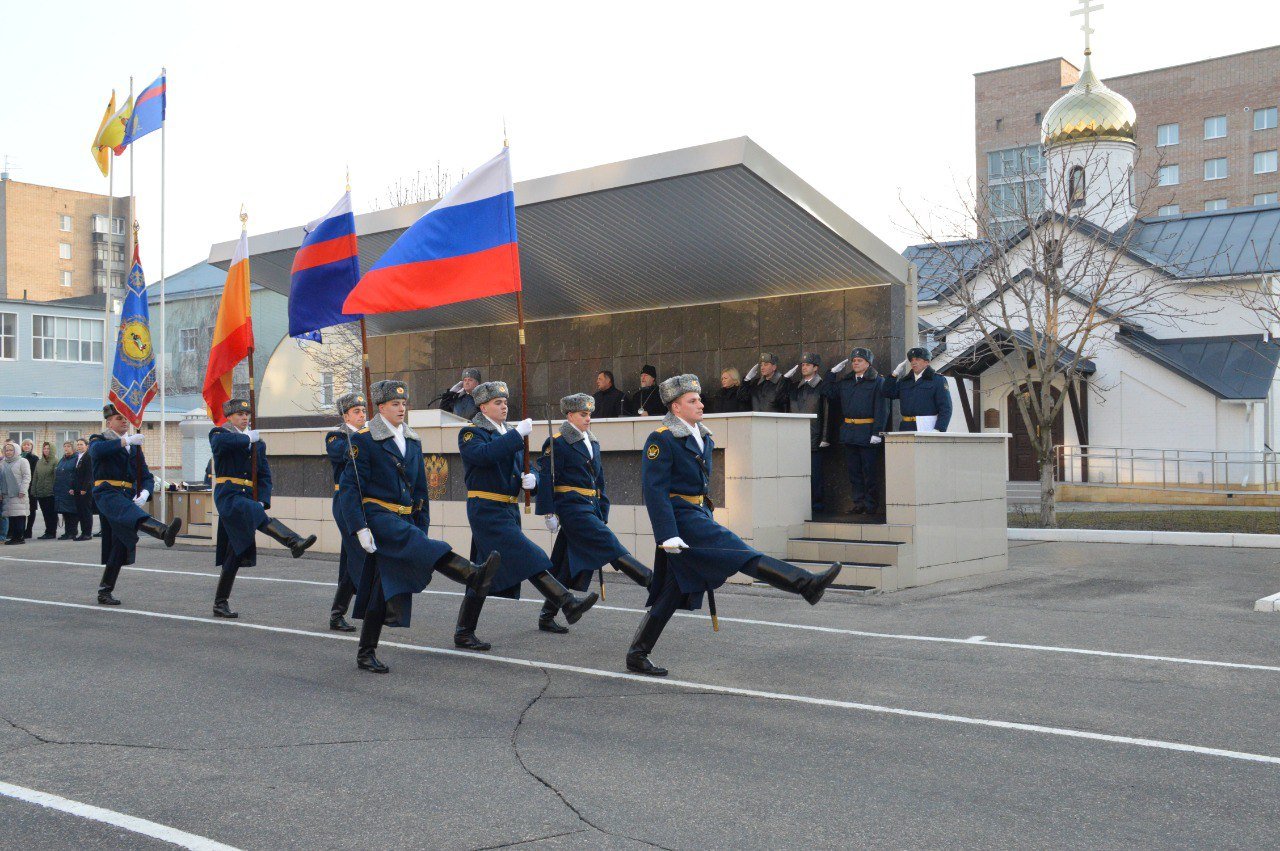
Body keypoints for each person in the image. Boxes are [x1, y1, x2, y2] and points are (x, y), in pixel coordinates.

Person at [628, 374, 843, 677]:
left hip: (699, 514)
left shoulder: (702, 435)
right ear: (676, 408)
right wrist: (667, 535)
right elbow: (654, 490)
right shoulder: (662, 438)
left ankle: (637, 653)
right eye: (693, 400)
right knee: (740, 553)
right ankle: (806, 584)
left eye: (699, 398)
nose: (700, 403)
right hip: (682, 519)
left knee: (672, 591)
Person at [338, 380, 500, 674]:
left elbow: (420, 490)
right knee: (419, 544)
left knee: (378, 588)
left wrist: (422, 524)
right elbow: (350, 489)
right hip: (378, 515)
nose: (401, 409)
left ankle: (365, 652)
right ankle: (471, 574)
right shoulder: (363, 439)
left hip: (405, 517)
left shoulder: (411, 440)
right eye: (394, 404)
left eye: (404, 404)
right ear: (381, 407)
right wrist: (359, 528)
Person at [458, 380, 599, 650]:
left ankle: (464, 631)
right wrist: (516, 436)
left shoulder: (510, 433)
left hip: (508, 510)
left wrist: (531, 479)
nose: (503, 407)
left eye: (505, 402)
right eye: (497, 403)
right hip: (486, 510)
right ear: (483, 406)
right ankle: (567, 603)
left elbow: (528, 467)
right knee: (529, 554)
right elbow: (485, 456)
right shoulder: (471, 433)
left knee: (483, 572)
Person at [534, 393, 652, 633]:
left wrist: (603, 508)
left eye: (589, 414)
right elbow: (546, 476)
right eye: (582, 414)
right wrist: (548, 512)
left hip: (589, 506)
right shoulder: (557, 441)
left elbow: (599, 480)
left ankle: (548, 614)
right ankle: (648, 579)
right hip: (570, 506)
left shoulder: (592, 442)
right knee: (607, 542)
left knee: (565, 562)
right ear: (569, 415)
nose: (588, 419)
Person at [209, 398, 317, 619]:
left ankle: (220, 603)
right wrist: (246, 437)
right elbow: (222, 446)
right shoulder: (219, 434)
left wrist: (262, 500)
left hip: (248, 499)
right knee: (253, 515)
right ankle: (293, 541)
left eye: (246, 414)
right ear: (229, 417)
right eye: (239, 414)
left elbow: (265, 475)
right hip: (229, 495)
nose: (244, 417)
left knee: (235, 552)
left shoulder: (258, 442)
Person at [89, 405, 183, 605]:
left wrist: (146, 492)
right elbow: (96, 453)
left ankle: (105, 591)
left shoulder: (134, 447)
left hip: (126, 495)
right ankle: (162, 532)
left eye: (125, 418)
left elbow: (146, 476)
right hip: (106, 492)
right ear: (109, 422)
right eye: (118, 418)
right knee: (127, 513)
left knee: (120, 544)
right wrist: (125, 441)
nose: (124, 421)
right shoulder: (99, 439)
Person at [824, 348, 888, 516]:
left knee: (869, 472)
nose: (855, 363)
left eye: (859, 360)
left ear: (868, 363)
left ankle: (871, 505)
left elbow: (882, 409)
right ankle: (858, 503)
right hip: (850, 432)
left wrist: (877, 432)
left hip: (867, 432)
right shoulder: (846, 382)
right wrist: (831, 374)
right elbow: (828, 393)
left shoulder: (877, 382)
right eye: (853, 361)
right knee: (854, 472)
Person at [323, 391, 367, 632]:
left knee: (353, 557)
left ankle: (337, 614)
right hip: (345, 501)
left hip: (366, 501)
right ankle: (372, 604)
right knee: (360, 552)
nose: (362, 415)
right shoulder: (336, 437)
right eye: (356, 412)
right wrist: (366, 439)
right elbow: (345, 454)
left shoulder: (367, 435)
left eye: (363, 411)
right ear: (345, 415)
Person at [785, 353, 832, 514]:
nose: (803, 367)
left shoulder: (821, 387)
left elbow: (826, 413)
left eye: (807, 364)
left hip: (814, 437)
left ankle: (816, 506)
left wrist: (825, 437)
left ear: (816, 368)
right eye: (802, 364)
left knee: (815, 476)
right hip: (795, 438)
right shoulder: (794, 387)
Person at [881, 347, 952, 433]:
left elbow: (946, 408)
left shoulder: (937, 380)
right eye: (911, 360)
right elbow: (887, 392)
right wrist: (894, 374)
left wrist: (939, 429)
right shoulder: (905, 381)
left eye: (917, 359)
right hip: (906, 426)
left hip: (928, 426)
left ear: (927, 362)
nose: (913, 362)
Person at [1, 442, 31, 545]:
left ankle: (19, 537)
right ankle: (14, 537)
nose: (8, 452)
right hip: (7, 493)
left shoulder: (22, 461)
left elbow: (27, 476)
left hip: (19, 493)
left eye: (11, 450)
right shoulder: (3, 463)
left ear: (16, 451)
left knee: (19, 515)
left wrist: (23, 490)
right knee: (11, 516)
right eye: (7, 450)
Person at [32, 442, 58, 539]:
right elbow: (35, 476)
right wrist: (34, 490)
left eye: (48, 448)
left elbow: (56, 478)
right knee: (45, 513)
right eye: (44, 448)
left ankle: (52, 532)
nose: (46, 450)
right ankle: (48, 531)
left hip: (50, 492)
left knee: (51, 513)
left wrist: (55, 490)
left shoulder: (55, 461)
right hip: (40, 491)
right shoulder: (39, 461)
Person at [54, 442, 79, 539]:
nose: (66, 448)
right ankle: (67, 532)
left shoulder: (76, 459)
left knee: (72, 511)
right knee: (65, 512)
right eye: (64, 446)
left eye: (68, 446)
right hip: (61, 488)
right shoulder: (62, 459)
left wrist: (74, 487)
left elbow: (76, 474)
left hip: (70, 488)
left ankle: (72, 532)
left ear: (73, 448)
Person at [72, 438, 94, 540]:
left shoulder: (88, 457)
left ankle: (87, 533)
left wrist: (85, 488)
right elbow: (75, 474)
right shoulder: (78, 457)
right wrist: (72, 487)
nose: (79, 446)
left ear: (87, 446)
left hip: (85, 489)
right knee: (80, 511)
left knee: (86, 511)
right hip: (77, 488)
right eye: (78, 445)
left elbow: (89, 474)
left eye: (81, 444)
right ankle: (83, 532)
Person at [20, 439, 38, 539]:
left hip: (31, 487)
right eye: (24, 445)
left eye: (28, 445)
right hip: (21, 486)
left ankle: (29, 529)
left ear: (32, 446)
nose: (26, 446)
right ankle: (21, 529)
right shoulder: (18, 457)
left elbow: (35, 473)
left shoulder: (35, 458)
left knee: (32, 509)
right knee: (21, 509)